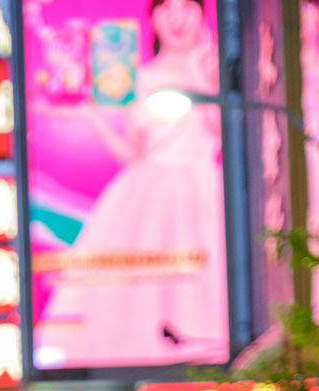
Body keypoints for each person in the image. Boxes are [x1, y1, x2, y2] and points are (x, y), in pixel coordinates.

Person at [36, 0, 229, 366]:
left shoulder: (214, 70)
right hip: (146, 193)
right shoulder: (139, 77)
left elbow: (223, 132)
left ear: (202, 15)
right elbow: (133, 154)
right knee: (140, 297)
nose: (177, 18)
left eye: (187, 7)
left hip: (202, 189)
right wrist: (90, 115)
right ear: (153, 18)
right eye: (166, 8)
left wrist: (199, 77)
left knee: (213, 288)